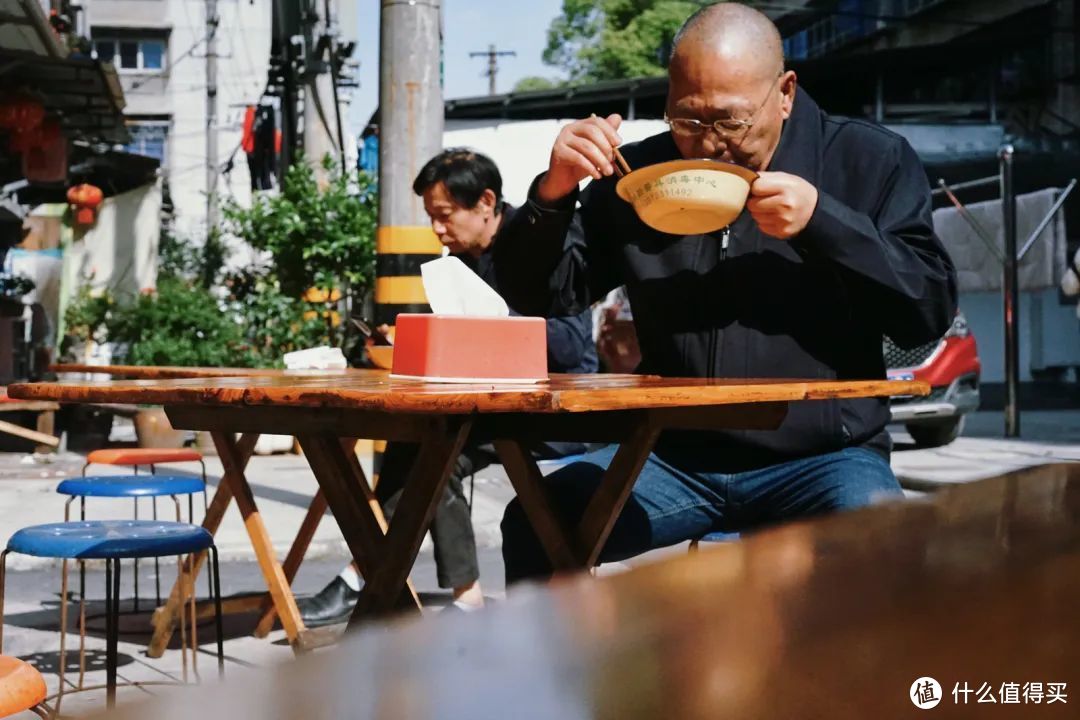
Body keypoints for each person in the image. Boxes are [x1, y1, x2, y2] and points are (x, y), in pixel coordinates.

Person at [492, 2, 958, 584]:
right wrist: (553, 193)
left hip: (825, 458)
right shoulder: (638, 174)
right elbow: (545, 295)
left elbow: (928, 310)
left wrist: (826, 223)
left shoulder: (868, 160)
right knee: (537, 522)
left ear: (784, 93)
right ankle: (576, 674)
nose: (709, 145)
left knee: (879, 535)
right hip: (670, 456)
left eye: (731, 122)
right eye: (687, 121)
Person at [299, 149, 598, 625]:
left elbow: (569, 344)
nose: (437, 230)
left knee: (437, 453)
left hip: (554, 408)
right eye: (431, 218)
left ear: (485, 202)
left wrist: (491, 324)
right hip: (488, 406)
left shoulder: (539, 240)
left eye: (444, 216)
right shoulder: (463, 260)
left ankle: (378, 577)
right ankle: (394, 578)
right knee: (412, 442)